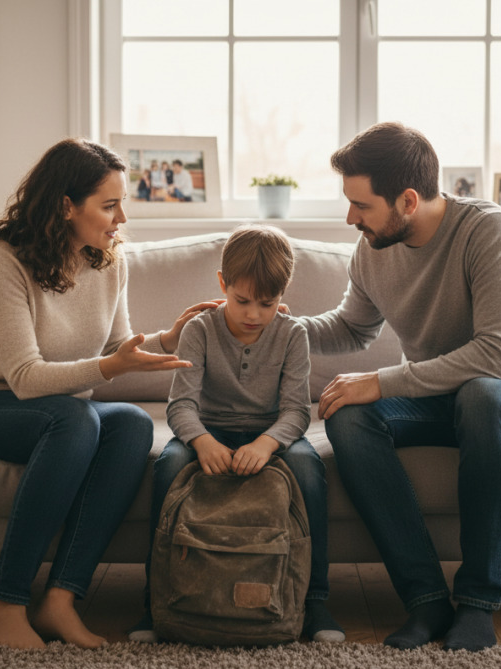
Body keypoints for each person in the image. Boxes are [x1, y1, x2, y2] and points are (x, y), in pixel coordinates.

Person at [0, 138, 216, 650]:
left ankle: (60, 601)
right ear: (66, 206)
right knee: (76, 418)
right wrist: (112, 367)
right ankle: (5, 606)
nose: (121, 218)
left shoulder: (110, 262)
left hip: (60, 411)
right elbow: (24, 377)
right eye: (109, 206)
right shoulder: (2, 260)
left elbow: (117, 347)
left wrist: (169, 339)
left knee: (131, 422)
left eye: (121, 204)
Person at [298, 122, 501, 652]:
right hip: (440, 397)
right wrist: (272, 328)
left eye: (361, 205)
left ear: (408, 200)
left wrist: (382, 380)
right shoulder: (373, 247)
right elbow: (352, 327)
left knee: (482, 395)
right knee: (348, 414)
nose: (351, 218)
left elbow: (499, 357)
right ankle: (425, 601)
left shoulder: (490, 231)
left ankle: (478, 604)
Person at [129, 224, 345, 644]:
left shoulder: (292, 334)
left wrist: (267, 443)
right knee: (169, 464)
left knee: (307, 466)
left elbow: (296, 411)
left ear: (283, 294)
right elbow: (182, 405)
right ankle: (154, 600)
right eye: (242, 300)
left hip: (272, 431)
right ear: (222, 284)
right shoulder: (199, 331)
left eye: (267, 303)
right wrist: (201, 440)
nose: (253, 315)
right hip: (208, 429)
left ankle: (314, 600)